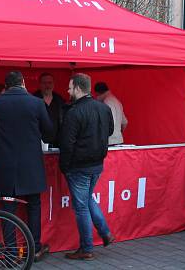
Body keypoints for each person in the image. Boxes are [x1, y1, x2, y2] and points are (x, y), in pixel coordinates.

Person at [0, 71, 53, 262]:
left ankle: (11, 252)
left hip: (6, 164)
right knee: (33, 206)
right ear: (24, 83)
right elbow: (48, 133)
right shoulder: (37, 103)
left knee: (8, 209)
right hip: (31, 165)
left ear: (6, 86)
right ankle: (34, 248)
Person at [58, 73, 115, 260]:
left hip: (79, 166)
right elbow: (110, 131)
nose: (67, 91)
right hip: (96, 165)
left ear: (78, 89)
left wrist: (64, 167)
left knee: (82, 206)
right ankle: (105, 232)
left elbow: (67, 144)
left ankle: (87, 248)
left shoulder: (74, 112)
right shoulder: (103, 108)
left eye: (69, 87)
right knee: (87, 200)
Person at [34, 72, 69, 146]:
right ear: (39, 84)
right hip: (37, 142)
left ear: (53, 84)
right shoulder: (33, 100)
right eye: (44, 83)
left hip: (57, 143)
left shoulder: (60, 101)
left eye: (50, 83)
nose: (47, 85)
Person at [93, 81, 127, 145]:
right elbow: (125, 122)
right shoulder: (117, 101)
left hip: (110, 141)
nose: (96, 99)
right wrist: (118, 132)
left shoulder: (107, 102)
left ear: (98, 93)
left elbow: (110, 123)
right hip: (119, 140)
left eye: (96, 95)